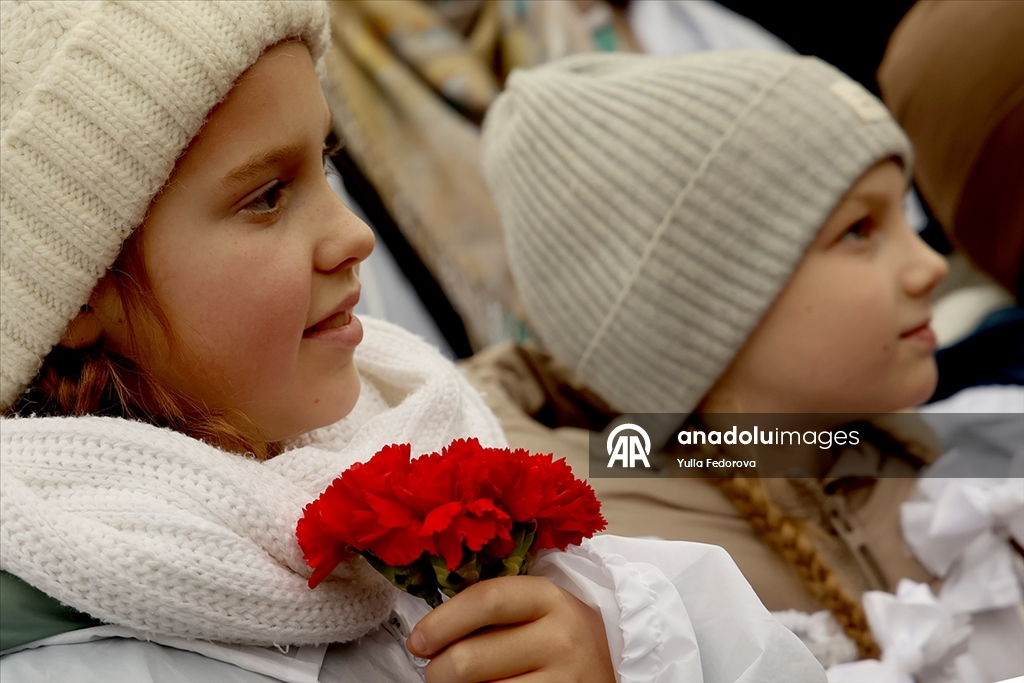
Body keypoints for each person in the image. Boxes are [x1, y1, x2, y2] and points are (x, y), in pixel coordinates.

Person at [0, 2, 824, 681]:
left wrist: (622, 654)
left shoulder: (431, 441)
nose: (352, 233)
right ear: (79, 288)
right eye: (267, 196)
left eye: (328, 163)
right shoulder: (72, 651)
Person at [465, 49, 1024, 681]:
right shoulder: (621, 588)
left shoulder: (968, 471)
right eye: (861, 228)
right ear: (705, 309)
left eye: (906, 214)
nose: (931, 266)